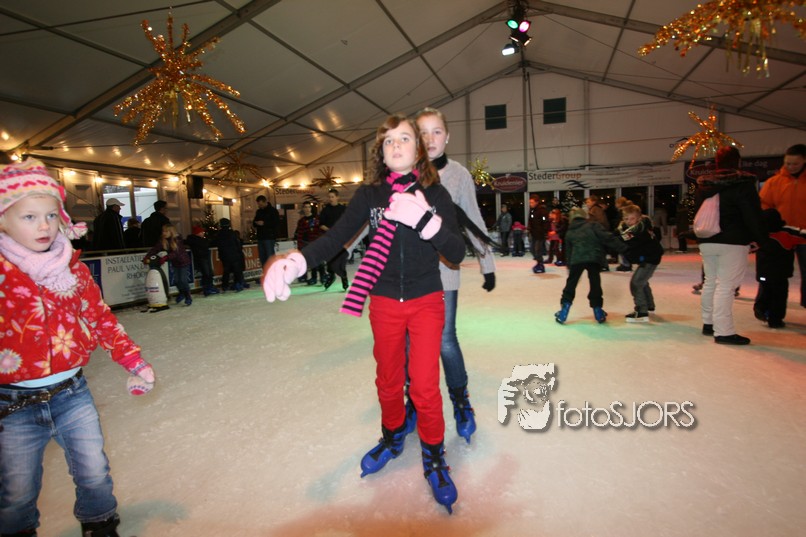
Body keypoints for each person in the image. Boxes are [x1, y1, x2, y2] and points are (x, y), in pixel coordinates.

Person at [261, 114, 465, 513]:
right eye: (388, 141)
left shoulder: (436, 194)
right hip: (384, 301)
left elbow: (455, 252)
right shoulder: (370, 196)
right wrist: (298, 261)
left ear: (418, 148)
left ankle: (434, 455)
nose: (395, 145)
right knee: (388, 380)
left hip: (426, 300)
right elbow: (337, 237)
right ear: (380, 153)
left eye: (403, 138)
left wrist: (425, 220)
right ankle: (393, 435)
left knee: (424, 387)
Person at [0, 159, 156, 537]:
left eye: (51, 215)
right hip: (13, 405)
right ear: (3, 221)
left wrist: (133, 361)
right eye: (29, 217)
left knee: (93, 470)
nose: (44, 226)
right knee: (17, 488)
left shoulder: (74, 270)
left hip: (72, 393)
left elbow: (101, 318)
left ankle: (100, 523)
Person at [414, 106, 496, 443]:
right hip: (410, 274)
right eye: (423, 132)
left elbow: (472, 218)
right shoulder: (403, 172)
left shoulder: (459, 175)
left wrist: (487, 264)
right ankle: (413, 402)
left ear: (447, 137)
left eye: (437, 131)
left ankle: (461, 402)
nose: (430, 139)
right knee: (411, 344)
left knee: (445, 339)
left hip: (445, 270)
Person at [694, 146, 764, 345]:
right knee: (726, 285)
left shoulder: (703, 186)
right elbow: (752, 214)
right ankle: (723, 331)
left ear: (716, 163)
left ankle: (709, 323)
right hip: (733, 240)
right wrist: (760, 238)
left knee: (710, 281)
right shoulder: (742, 184)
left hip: (707, 240)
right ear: (738, 162)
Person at [555, 207, 626, 324]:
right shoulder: (593, 225)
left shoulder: (570, 232)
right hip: (594, 258)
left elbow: (568, 252)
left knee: (571, 284)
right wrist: (624, 248)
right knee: (595, 283)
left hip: (577, 259)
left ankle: (564, 311)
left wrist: (570, 267)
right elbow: (607, 237)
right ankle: (598, 311)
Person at [759, 143, 806, 308]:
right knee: (773, 273)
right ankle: (767, 307)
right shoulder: (774, 182)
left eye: (795, 164)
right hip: (780, 236)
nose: (791, 167)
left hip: (804, 236)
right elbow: (763, 205)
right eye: (788, 163)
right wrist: (771, 225)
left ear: (804, 161)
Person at [753, 209, 806, 328]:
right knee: (779, 296)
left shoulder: (760, 234)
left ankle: (761, 307)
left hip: (763, 272)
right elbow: (802, 237)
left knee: (766, 291)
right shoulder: (787, 234)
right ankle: (775, 320)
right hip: (781, 274)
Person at [619, 204, 664, 322]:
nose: (629, 221)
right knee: (642, 281)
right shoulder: (637, 228)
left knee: (636, 283)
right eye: (626, 219)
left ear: (639, 218)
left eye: (632, 218)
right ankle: (649, 305)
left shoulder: (639, 230)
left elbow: (627, 242)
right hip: (648, 257)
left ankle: (641, 311)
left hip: (650, 259)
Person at [144, 223, 192, 306]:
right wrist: (147, 256)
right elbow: (155, 249)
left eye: (166, 231)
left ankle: (188, 296)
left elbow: (176, 253)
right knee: (176, 281)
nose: (164, 233)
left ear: (171, 232)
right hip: (175, 263)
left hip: (183, 262)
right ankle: (181, 293)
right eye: (163, 231)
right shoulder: (163, 240)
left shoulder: (177, 239)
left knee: (183, 280)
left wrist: (165, 258)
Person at [319, 188, 349, 290]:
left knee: (341, 260)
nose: (331, 199)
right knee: (330, 260)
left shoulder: (343, 209)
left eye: (332, 197)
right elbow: (321, 224)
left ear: (337, 197)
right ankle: (331, 276)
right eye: (329, 197)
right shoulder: (325, 210)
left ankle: (344, 278)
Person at [185, 225, 219, 296]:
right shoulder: (196, 240)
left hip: (205, 257)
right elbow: (205, 244)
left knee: (209, 273)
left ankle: (209, 287)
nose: (203, 233)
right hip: (201, 258)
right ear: (197, 233)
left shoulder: (200, 240)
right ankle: (207, 288)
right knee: (206, 273)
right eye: (201, 232)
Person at [295, 204, 324, 285]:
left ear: (311, 208)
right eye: (305, 207)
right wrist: (300, 246)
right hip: (306, 243)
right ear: (303, 209)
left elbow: (320, 230)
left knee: (319, 260)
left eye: (309, 207)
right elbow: (299, 234)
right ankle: (314, 277)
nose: (307, 209)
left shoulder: (317, 219)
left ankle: (323, 276)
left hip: (316, 242)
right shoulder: (301, 221)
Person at [214, 218, 244, 292]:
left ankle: (225, 285)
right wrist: (239, 252)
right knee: (236, 270)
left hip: (224, 256)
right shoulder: (232, 233)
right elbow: (238, 244)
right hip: (234, 255)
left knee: (226, 271)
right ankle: (237, 284)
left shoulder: (219, 234)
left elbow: (216, 243)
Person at [252, 194, 280, 267]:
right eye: (258, 204)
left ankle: (272, 271)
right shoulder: (258, 211)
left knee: (269, 256)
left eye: (261, 204)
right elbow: (254, 222)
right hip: (260, 237)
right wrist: (256, 223)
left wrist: (264, 223)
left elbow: (276, 223)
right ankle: (265, 271)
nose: (259, 206)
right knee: (262, 257)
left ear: (265, 202)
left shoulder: (273, 211)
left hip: (269, 237)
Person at [528, 196, 548, 272]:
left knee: (538, 250)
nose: (530, 204)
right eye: (530, 202)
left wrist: (545, 231)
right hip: (534, 233)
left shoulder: (542, 211)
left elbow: (545, 221)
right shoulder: (532, 210)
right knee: (532, 249)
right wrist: (529, 228)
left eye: (532, 202)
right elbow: (530, 220)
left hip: (540, 234)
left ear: (536, 202)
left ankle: (540, 264)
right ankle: (539, 262)